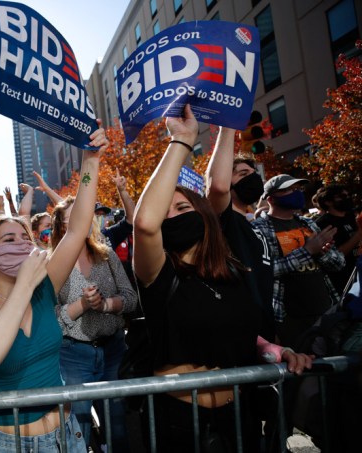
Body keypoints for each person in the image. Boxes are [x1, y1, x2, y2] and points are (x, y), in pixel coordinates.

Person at [132, 106, 312, 452]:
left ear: (204, 218)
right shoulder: (156, 272)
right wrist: (182, 141)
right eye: (166, 210)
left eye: (183, 208)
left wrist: (279, 350)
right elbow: (145, 224)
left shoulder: (231, 273)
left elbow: (238, 329)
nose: (172, 215)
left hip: (239, 421)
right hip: (180, 424)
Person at [0, 122, 108, 452]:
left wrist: (91, 161)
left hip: (67, 436)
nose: (21, 244)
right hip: (9, 443)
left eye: (25, 238)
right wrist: (23, 284)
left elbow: (78, 226)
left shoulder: (43, 286)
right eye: (9, 239)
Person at [50, 195, 137, 451]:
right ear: (60, 227)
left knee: (118, 425)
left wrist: (107, 304)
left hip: (113, 351)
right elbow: (49, 316)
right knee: (79, 428)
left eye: (84, 216)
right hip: (73, 355)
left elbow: (131, 299)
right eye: (71, 219)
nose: (81, 222)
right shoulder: (52, 264)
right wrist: (82, 306)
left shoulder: (106, 255)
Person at [252, 175, 346, 349]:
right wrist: (308, 251)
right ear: (271, 198)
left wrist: (322, 252)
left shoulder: (309, 224)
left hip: (325, 310)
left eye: (299, 189)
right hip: (288, 319)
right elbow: (264, 271)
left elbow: (339, 263)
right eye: (290, 190)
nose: (297, 193)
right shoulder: (258, 228)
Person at [205, 128, 275, 340]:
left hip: (266, 329)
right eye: (242, 174)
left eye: (254, 174)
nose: (252, 178)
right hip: (243, 333)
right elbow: (216, 186)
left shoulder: (253, 224)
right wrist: (227, 127)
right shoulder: (223, 219)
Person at [313, 185, 362, 295]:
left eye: (348, 195)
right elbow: (336, 254)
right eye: (342, 196)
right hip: (343, 281)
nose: (347, 198)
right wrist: (359, 234)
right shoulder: (323, 224)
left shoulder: (351, 217)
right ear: (327, 202)